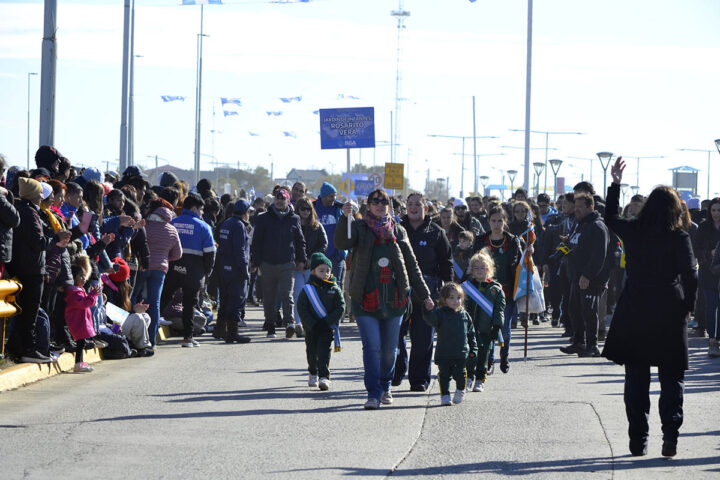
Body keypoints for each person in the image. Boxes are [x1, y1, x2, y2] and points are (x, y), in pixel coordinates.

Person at [602, 157, 697, 458]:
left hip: (635, 307)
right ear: (674, 210)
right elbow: (691, 275)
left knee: (636, 377)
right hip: (669, 308)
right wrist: (688, 306)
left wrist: (615, 185)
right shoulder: (679, 237)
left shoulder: (634, 230)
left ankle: (637, 439)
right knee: (671, 377)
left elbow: (610, 219)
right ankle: (670, 434)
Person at [335, 188, 433, 410]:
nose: (379, 205)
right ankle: (373, 392)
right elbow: (342, 243)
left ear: (389, 206)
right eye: (375, 202)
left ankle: (386, 385)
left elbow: (412, 265)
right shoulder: (358, 227)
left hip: (394, 299)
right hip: (365, 298)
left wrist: (425, 294)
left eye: (384, 202)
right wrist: (345, 217)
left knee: (390, 350)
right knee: (372, 347)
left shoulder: (399, 231)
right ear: (368, 205)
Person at [7, 177, 71, 363]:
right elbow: (39, 242)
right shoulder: (29, 212)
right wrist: (56, 238)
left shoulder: (23, 210)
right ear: (36, 195)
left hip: (26, 268)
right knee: (30, 313)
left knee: (27, 312)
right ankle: (28, 348)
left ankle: (21, 347)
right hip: (32, 269)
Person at [394, 192, 452, 392]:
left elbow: (446, 262)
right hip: (399, 289)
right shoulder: (395, 229)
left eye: (418, 204)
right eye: (410, 204)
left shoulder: (436, 232)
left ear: (425, 208)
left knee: (423, 337)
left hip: (428, 290)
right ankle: (396, 370)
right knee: (395, 333)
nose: (413, 207)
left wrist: (448, 289)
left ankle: (419, 379)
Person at [160, 193, 216, 348]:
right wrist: (206, 273)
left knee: (163, 297)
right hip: (194, 270)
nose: (202, 213)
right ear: (194, 208)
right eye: (201, 210)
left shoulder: (172, 222)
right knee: (189, 304)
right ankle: (188, 338)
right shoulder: (204, 227)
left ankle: (151, 332)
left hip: (172, 266)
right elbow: (210, 254)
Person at [250, 186, 307, 338]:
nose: (280, 201)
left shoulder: (294, 219)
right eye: (278, 198)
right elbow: (256, 242)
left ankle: (289, 322)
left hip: (287, 263)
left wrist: (301, 259)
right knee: (269, 297)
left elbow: (300, 241)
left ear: (288, 201)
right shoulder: (262, 218)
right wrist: (255, 262)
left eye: (283, 199)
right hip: (267, 263)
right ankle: (270, 324)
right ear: (274, 200)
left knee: (287, 294)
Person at [559, 192, 610, 358]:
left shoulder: (597, 226)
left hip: (592, 279)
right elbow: (576, 244)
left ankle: (592, 346)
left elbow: (598, 255)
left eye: (580, 207)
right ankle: (578, 341)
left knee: (589, 311)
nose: (577, 210)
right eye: (576, 206)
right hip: (576, 275)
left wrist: (587, 275)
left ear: (591, 207)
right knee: (574, 309)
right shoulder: (578, 223)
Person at [473, 205, 522, 374]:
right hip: (484, 291)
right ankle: (489, 359)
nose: (496, 224)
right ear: (488, 222)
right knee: (487, 327)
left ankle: (505, 355)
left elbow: (520, 265)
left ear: (505, 222)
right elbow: (473, 264)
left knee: (504, 329)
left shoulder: (513, 240)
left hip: (506, 292)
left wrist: (528, 255)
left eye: (500, 220)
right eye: (493, 220)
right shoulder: (480, 240)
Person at [134, 198, 182, 346]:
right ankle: (152, 340)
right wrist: (165, 257)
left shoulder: (145, 225)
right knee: (154, 303)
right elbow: (178, 254)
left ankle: (136, 337)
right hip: (160, 270)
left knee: (135, 297)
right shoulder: (172, 230)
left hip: (142, 267)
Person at [297, 252, 346, 391]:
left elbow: (341, 307)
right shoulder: (307, 289)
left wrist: (327, 321)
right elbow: (302, 308)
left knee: (324, 352)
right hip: (311, 328)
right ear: (313, 271)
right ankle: (313, 371)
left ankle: (324, 377)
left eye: (328, 270)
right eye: (321, 270)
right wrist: (311, 324)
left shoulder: (334, 288)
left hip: (326, 327)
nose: (325, 273)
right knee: (311, 352)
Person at [423, 283, 477, 406]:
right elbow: (430, 319)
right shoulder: (440, 314)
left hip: (461, 352)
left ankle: (460, 390)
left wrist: (474, 348)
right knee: (444, 375)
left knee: (461, 374)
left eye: (458, 297)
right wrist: (427, 310)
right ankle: (445, 395)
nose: (455, 301)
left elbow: (471, 333)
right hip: (444, 352)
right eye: (451, 298)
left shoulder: (464, 315)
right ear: (444, 299)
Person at [463, 250, 505, 392]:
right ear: (471, 269)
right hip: (469, 329)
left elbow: (499, 309)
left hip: (486, 329)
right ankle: (468, 377)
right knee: (470, 354)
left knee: (483, 356)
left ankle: (480, 380)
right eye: (476, 267)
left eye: (483, 267)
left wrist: (497, 325)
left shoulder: (496, 289)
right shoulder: (467, 287)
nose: (480, 270)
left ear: (489, 269)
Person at [215, 199, 253, 344]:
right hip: (236, 270)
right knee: (237, 300)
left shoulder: (227, 223)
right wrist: (244, 270)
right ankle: (232, 333)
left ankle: (219, 330)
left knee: (224, 299)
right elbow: (240, 250)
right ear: (245, 213)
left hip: (224, 267)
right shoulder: (239, 226)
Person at [291, 196, 328, 338]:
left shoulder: (317, 227)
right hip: (296, 267)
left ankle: (309, 324)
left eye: (308, 209)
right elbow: (289, 244)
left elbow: (323, 245)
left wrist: (310, 259)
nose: (305, 212)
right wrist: (297, 260)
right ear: (297, 209)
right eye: (302, 209)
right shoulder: (293, 225)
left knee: (312, 296)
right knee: (298, 294)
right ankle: (298, 323)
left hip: (312, 268)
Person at [66, 262, 102, 373]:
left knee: (81, 343)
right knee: (80, 343)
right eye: (81, 276)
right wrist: (93, 294)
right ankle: (78, 363)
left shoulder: (78, 290)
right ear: (74, 277)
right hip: (78, 321)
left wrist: (92, 294)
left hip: (81, 320)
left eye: (84, 275)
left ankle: (80, 362)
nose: (84, 278)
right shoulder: (74, 292)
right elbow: (84, 303)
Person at [313, 182, 347, 288]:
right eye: (331, 196)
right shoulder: (313, 208)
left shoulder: (338, 209)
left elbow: (347, 225)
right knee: (318, 286)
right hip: (319, 256)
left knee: (335, 286)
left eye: (335, 196)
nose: (334, 198)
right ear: (324, 196)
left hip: (336, 256)